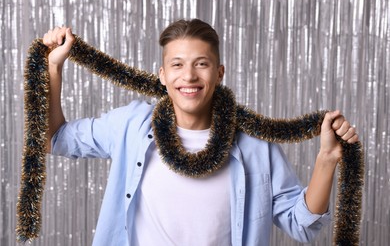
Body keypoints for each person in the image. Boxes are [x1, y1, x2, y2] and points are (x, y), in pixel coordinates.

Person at [43, 19, 359, 246]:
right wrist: (54, 68)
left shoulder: (255, 145)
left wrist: (327, 158)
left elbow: (301, 225)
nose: (189, 76)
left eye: (202, 63)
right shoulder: (129, 126)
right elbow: (53, 138)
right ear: (163, 76)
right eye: (177, 65)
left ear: (219, 73)